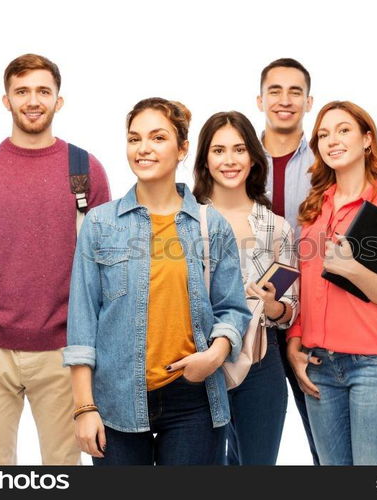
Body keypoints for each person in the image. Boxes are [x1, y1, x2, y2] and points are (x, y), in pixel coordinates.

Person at [0, 54, 110, 465]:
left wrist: (97, 347)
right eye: (22, 91)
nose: (32, 101)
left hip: (63, 349)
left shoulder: (85, 169)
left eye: (42, 91)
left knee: (62, 468)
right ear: (6, 100)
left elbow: (108, 266)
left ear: (58, 100)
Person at [64, 98, 251, 465]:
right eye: (134, 139)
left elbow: (232, 310)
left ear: (182, 148)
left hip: (193, 399)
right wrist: (84, 407)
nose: (143, 149)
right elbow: (82, 322)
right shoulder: (101, 225)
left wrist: (213, 357)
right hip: (116, 399)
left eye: (157, 137)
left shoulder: (210, 226)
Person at [287, 100, 377, 465]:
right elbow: (302, 288)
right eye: (324, 134)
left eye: (343, 129)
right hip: (319, 367)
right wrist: (294, 342)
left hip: (374, 366)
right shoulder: (313, 211)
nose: (332, 139)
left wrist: (355, 271)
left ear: (366, 139)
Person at [192, 111, 299, 465]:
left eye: (238, 149)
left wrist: (273, 307)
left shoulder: (277, 227)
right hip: (199, 358)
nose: (229, 160)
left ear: (253, 157)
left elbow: (290, 307)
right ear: (205, 160)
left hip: (259, 360)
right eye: (218, 150)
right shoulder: (185, 219)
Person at [257, 57, 318, 464]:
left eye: (295, 91)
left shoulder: (326, 162)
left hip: (312, 316)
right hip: (250, 317)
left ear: (309, 101)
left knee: (324, 437)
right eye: (275, 91)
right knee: (245, 446)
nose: (285, 100)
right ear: (259, 99)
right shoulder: (234, 158)